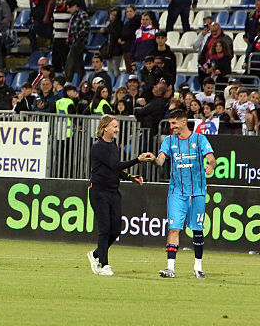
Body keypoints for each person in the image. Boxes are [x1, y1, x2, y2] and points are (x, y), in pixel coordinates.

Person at [148, 109, 216, 279]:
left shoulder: (199, 139)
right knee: (174, 228)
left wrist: (211, 166)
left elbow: (212, 158)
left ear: (183, 122)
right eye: (170, 123)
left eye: (174, 123)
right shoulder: (169, 141)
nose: (171, 127)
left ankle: (198, 267)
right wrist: (153, 159)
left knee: (197, 230)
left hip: (197, 192)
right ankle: (170, 268)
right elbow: (160, 160)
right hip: (176, 192)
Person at [86, 115, 150, 276]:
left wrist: (129, 177)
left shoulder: (113, 146)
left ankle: (95, 254)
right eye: (114, 126)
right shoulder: (98, 146)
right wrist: (138, 160)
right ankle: (104, 265)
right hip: (99, 192)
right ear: (105, 128)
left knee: (116, 230)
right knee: (105, 229)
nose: (117, 129)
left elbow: (114, 170)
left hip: (113, 191)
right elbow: (114, 165)